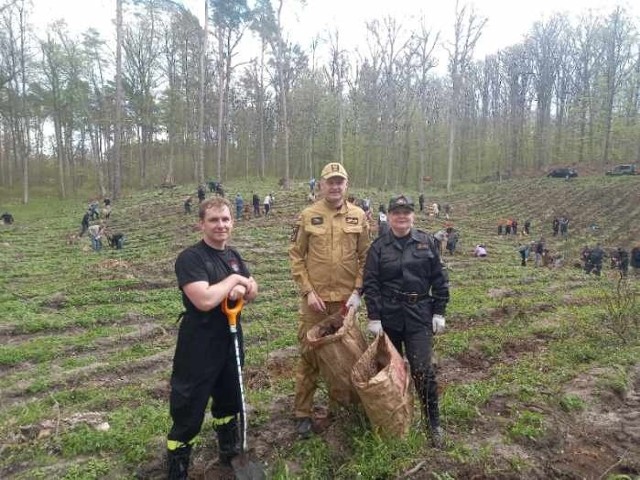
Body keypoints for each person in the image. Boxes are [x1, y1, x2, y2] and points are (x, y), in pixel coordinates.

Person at [166, 197, 258, 479]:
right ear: (201, 224)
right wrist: (233, 281)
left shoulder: (233, 255)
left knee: (230, 397)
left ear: (232, 222)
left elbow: (253, 287)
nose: (221, 225)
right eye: (214, 220)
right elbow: (204, 299)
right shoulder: (191, 258)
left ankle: (228, 451)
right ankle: (178, 466)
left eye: (226, 219)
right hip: (199, 344)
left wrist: (243, 287)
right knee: (189, 406)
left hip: (230, 339)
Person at [289, 162, 370, 438]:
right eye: (330, 182)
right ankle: (302, 412)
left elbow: (366, 257)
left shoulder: (359, 216)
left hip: (346, 304)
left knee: (344, 358)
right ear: (321, 185)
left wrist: (358, 292)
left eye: (340, 182)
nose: (335, 186)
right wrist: (308, 291)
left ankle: (337, 410)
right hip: (316, 303)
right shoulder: (308, 215)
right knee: (309, 358)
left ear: (346, 186)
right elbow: (296, 256)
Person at [363, 194, 449, 448]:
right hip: (389, 317)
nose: (402, 216)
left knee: (423, 370)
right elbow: (371, 283)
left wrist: (439, 311)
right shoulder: (379, 247)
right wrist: (374, 316)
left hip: (419, 315)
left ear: (413, 215)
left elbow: (440, 279)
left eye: (406, 212)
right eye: (397, 212)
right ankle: (396, 420)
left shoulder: (427, 243)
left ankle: (433, 423)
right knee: (390, 372)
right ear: (389, 216)